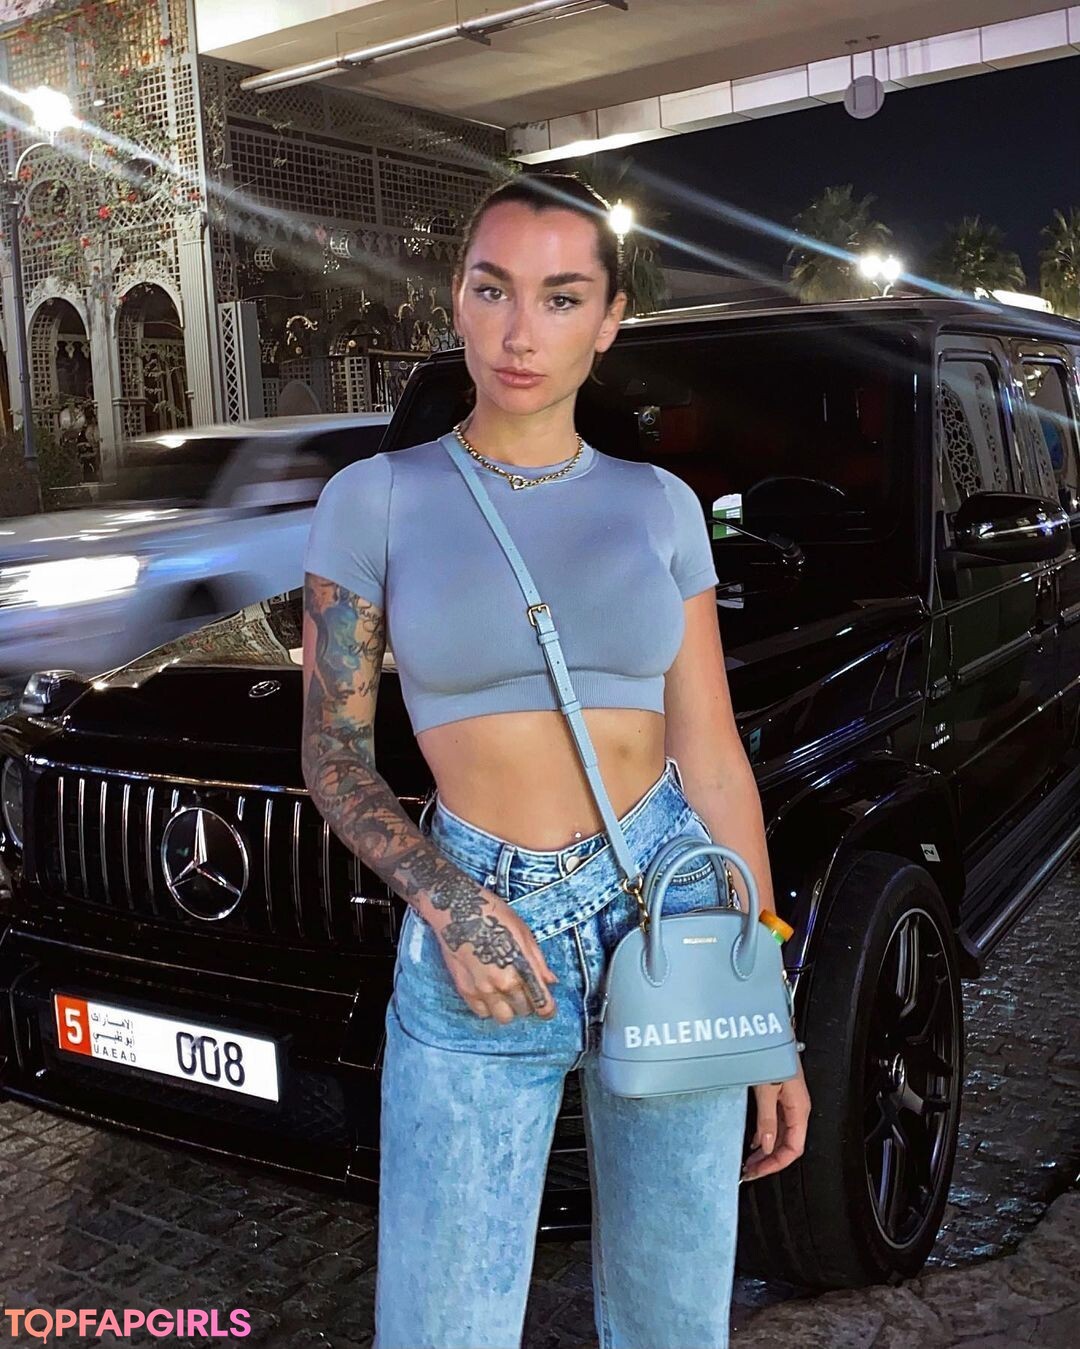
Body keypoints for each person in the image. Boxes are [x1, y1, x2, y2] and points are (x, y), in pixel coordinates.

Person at [301, 171, 811, 1349]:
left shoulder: (661, 505)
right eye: (494, 289)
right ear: (457, 298)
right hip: (482, 914)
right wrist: (447, 899)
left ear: (611, 318)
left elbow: (713, 758)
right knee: (443, 1322)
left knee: (676, 1316)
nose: (521, 331)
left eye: (562, 296)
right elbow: (332, 752)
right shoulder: (375, 499)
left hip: (672, 905)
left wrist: (767, 1000)